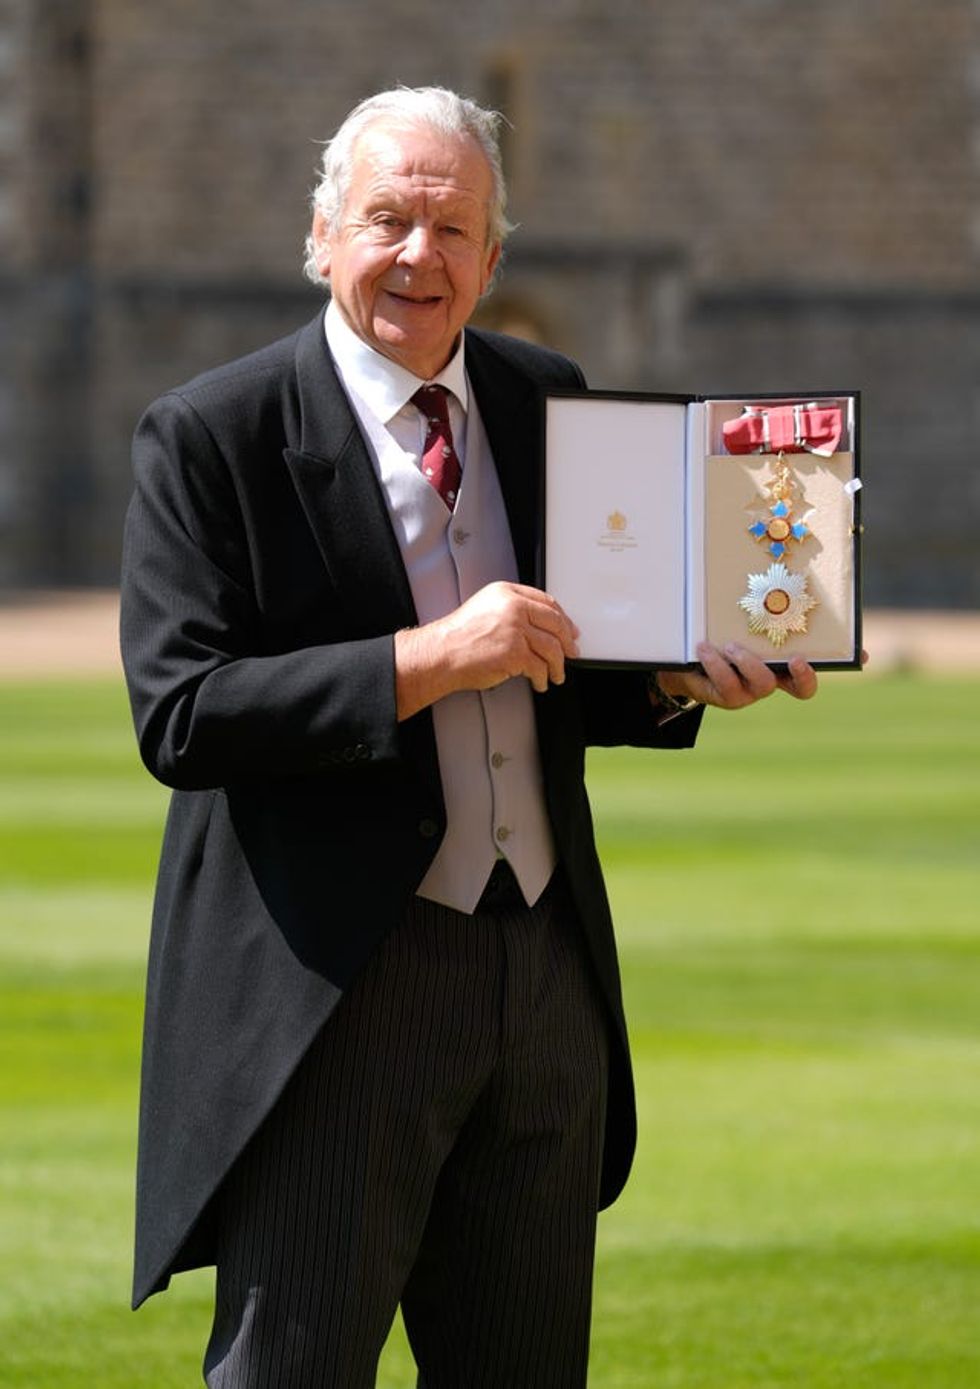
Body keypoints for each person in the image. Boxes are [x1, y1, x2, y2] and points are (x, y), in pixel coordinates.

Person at [120, 85, 817, 1388]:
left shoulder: (550, 399)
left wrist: (676, 680)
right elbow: (181, 709)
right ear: (321, 236)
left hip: (547, 982)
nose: (418, 256)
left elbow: (586, 668)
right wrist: (432, 657)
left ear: (494, 261)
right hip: (342, 991)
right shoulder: (211, 433)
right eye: (388, 218)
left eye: (453, 230)